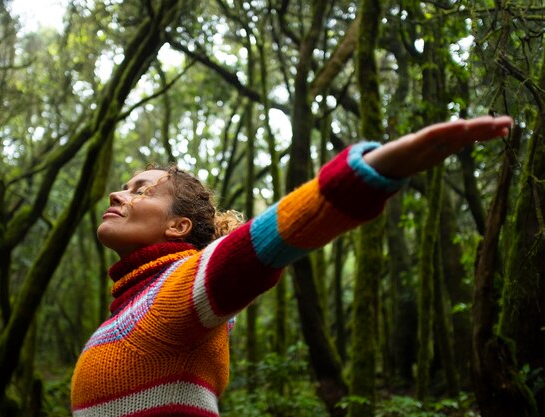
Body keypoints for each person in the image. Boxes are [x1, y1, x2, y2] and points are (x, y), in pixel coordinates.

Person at [70, 116, 512, 417]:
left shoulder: (176, 293)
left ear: (178, 226)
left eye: (141, 191)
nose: (117, 195)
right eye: (124, 187)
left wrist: (370, 171)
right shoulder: (131, 306)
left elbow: (264, 241)